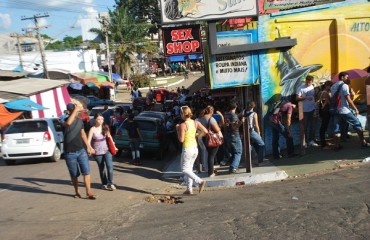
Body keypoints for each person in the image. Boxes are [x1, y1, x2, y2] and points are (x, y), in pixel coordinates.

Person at [62, 103, 96, 200]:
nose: (76, 111)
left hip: (81, 150)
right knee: (74, 174)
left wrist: (88, 146)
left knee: (86, 172)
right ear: (68, 112)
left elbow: (83, 135)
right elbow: (68, 123)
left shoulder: (80, 121)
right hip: (69, 153)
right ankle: (77, 192)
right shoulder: (64, 120)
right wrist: (76, 110)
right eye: (73, 110)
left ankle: (89, 191)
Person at [330, 71, 370, 150]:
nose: (349, 79)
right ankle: (363, 142)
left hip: (335, 110)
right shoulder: (344, 86)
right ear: (342, 77)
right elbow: (348, 99)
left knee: (336, 128)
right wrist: (355, 108)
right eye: (347, 77)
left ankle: (336, 145)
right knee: (357, 124)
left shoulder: (333, 86)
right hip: (344, 110)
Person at [176, 106, 208, 195]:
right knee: (189, 169)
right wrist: (198, 135)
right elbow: (205, 131)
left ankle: (200, 181)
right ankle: (189, 189)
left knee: (184, 169)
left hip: (187, 149)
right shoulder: (195, 122)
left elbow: (181, 140)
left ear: (183, 114)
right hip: (194, 149)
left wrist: (178, 130)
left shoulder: (183, 125)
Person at [87, 112, 116, 191]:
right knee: (102, 168)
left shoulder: (105, 127)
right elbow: (88, 141)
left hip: (107, 150)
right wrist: (90, 148)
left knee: (110, 167)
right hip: (97, 152)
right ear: (95, 120)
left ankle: (110, 183)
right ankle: (104, 183)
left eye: (102, 119)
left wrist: (114, 146)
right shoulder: (92, 129)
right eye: (99, 119)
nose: (100, 121)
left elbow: (110, 137)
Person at [198, 105, 223, 177]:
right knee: (212, 156)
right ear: (211, 111)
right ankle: (211, 172)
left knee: (209, 155)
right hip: (212, 138)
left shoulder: (200, 118)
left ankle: (210, 170)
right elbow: (217, 129)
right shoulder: (211, 119)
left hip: (204, 138)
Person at [296, 75, 319, 147]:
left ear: (312, 81)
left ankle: (311, 140)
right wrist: (305, 97)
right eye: (307, 81)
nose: (308, 83)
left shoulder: (313, 86)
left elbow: (315, 96)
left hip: (312, 109)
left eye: (309, 82)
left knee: (313, 126)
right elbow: (297, 98)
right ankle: (304, 142)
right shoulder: (301, 88)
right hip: (304, 110)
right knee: (304, 126)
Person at [224, 102, 244, 174]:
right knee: (238, 152)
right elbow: (234, 127)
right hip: (234, 135)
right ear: (235, 107)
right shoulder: (234, 115)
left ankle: (232, 166)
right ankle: (234, 167)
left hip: (228, 135)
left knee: (233, 152)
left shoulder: (226, 114)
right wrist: (241, 122)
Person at [243, 101, 265, 166]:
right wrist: (259, 133)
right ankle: (260, 161)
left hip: (245, 132)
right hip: (251, 131)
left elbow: (239, 117)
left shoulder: (244, 111)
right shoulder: (254, 114)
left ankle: (248, 162)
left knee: (251, 145)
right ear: (254, 106)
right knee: (262, 144)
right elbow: (256, 125)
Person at [318, 81, 333, 149]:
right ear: (327, 86)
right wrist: (329, 100)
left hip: (325, 112)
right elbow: (327, 103)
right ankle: (323, 144)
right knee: (323, 127)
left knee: (324, 127)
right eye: (330, 86)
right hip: (325, 112)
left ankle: (323, 142)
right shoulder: (324, 93)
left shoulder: (325, 92)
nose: (331, 87)